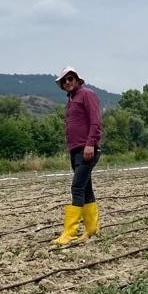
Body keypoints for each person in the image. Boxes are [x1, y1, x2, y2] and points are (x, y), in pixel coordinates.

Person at [52, 65, 102, 245]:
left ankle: (69, 232)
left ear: (78, 80)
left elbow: (96, 121)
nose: (67, 82)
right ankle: (92, 229)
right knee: (86, 189)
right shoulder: (71, 100)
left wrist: (90, 144)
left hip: (86, 149)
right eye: (64, 80)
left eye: (70, 78)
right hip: (75, 150)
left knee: (77, 187)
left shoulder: (87, 94)